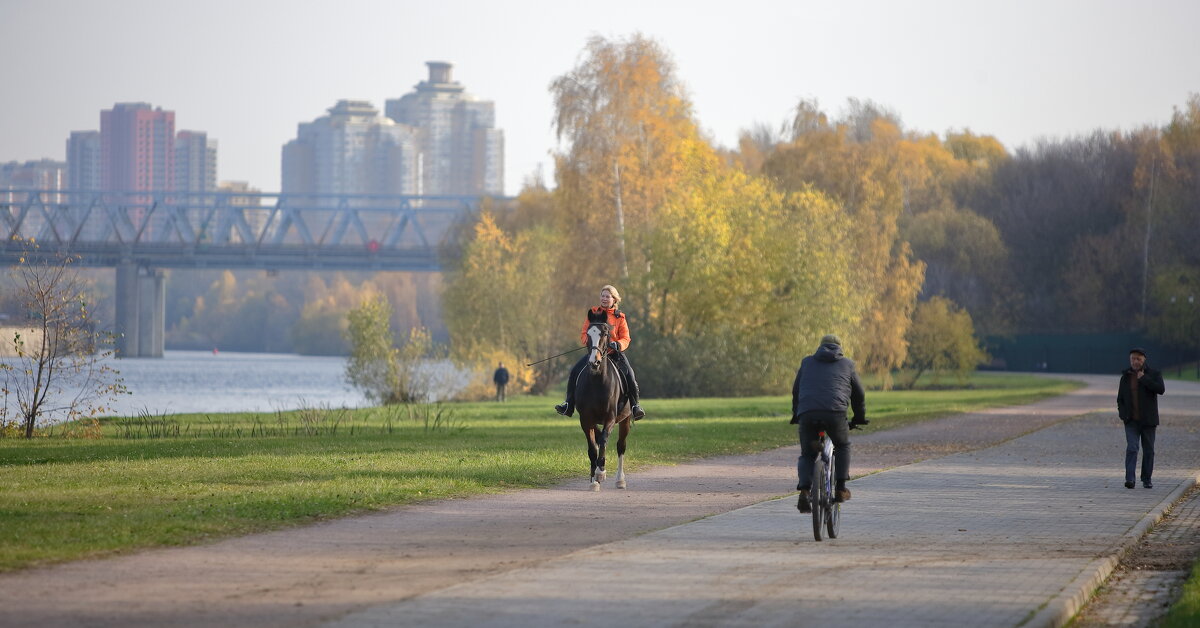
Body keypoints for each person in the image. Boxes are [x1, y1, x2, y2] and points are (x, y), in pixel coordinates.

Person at [791, 334, 867, 513]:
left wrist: (797, 414)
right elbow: (859, 394)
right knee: (842, 445)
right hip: (835, 413)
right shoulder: (848, 364)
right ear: (840, 348)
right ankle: (840, 488)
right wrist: (859, 417)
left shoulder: (807, 362)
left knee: (807, 455)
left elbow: (796, 391)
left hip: (808, 413)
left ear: (820, 346)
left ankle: (804, 490)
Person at [554, 284, 645, 421]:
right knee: (574, 372)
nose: (604, 299)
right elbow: (584, 332)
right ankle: (568, 404)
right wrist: (590, 342)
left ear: (614, 299)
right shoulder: (593, 313)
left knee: (630, 375)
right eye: (602, 296)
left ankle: (635, 406)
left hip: (614, 354)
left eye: (607, 296)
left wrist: (618, 344)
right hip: (595, 353)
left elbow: (626, 338)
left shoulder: (620, 317)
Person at [1117, 347, 1165, 489]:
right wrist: (1122, 414)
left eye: (1138, 359)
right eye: (1133, 358)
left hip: (1148, 421)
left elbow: (1160, 389)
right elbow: (1120, 399)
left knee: (1148, 450)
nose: (1135, 361)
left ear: (1144, 359)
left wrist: (1144, 378)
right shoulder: (1125, 376)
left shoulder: (1154, 373)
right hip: (1131, 420)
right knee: (1132, 448)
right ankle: (1130, 479)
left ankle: (1146, 479)